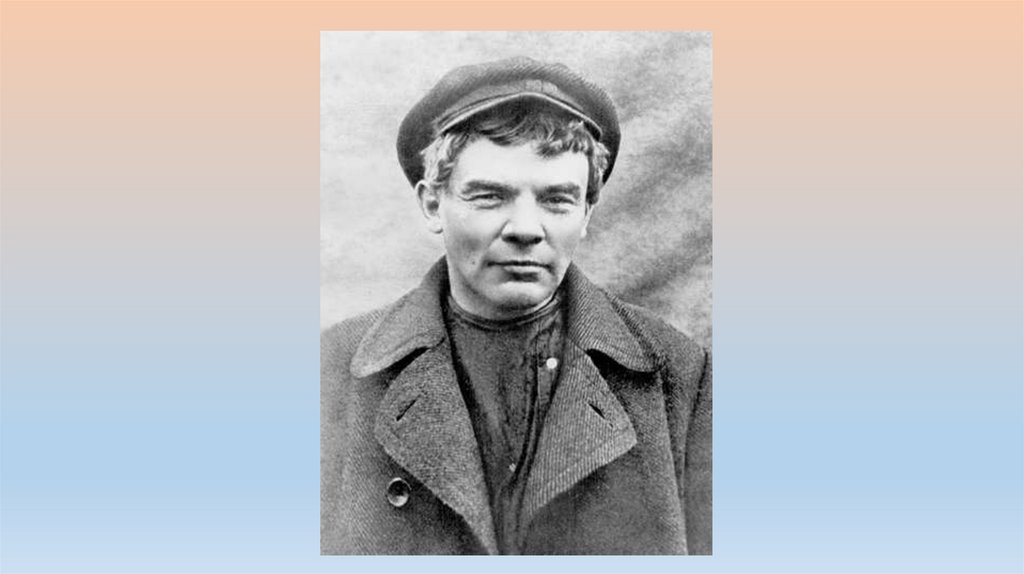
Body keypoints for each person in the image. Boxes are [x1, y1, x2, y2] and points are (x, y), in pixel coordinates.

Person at [321, 56, 711, 555]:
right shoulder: (331, 371)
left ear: (587, 212)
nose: (526, 228)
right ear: (433, 204)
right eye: (489, 196)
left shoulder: (680, 375)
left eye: (557, 200)